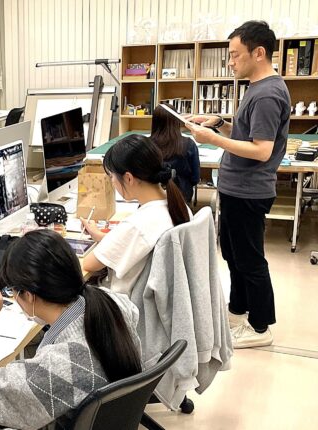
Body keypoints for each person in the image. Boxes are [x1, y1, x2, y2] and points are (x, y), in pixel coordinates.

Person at [0, 229, 142, 430]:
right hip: (108, 418)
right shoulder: (113, 302)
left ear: (29, 295)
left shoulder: (53, 369)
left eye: (12, 291)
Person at [185, 21, 290, 349]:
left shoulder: (268, 93)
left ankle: (260, 327)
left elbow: (261, 150)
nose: (230, 62)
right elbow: (247, 136)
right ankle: (238, 310)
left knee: (250, 260)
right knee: (233, 254)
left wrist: (212, 139)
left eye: (235, 55)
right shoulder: (256, 87)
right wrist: (219, 124)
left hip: (249, 191)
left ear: (258, 53)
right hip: (235, 188)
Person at [81, 134, 191, 296]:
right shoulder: (178, 206)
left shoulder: (137, 225)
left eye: (111, 176)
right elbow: (137, 243)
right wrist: (101, 236)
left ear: (128, 178)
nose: (112, 182)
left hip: (125, 305)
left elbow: (89, 264)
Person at [151, 103, 200, 203]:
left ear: (154, 121)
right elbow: (195, 178)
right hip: (182, 197)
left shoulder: (146, 145)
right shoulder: (189, 144)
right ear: (176, 120)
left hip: (152, 197)